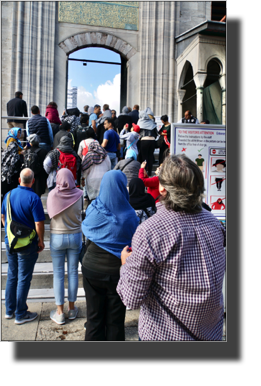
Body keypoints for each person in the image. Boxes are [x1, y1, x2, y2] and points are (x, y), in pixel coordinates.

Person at [117, 154, 226, 341]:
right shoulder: (215, 225)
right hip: (210, 333)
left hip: (164, 334)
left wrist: (126, 264)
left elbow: (131, 298)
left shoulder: (150, 231)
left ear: (162, 187)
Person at [81, 170, 139, 341]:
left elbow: (87, 233)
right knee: (115, 320)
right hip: (117, 272)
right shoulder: (130, 216)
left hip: (91, 268)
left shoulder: (94, 208)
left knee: (94, 317)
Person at [1, 168, 45, 325]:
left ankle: (9, 310)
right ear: (33, 181)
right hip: (27, 243)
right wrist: (40, 241)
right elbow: (39, 223)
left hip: (10, 242)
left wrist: (9, 233)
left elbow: (3, 216)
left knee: (12, 275)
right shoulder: (34, 198)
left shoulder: (8, 195)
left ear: (19, 180)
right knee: (24, 277)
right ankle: (20, 313)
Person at [46, 168, 83, 325]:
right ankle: (72, 309)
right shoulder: (79, 194)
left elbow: (50, 214)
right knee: (73, 272)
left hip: (57, 237)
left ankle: (60, 312)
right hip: (75, 236)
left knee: (58, 274)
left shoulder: (53, 195)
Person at [137, 110, 158, 176]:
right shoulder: (152, 122)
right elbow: (156, 133)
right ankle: (150, 173)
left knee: (144, 157)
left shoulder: (140, 122)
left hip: (144, 140)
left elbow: (137, 131)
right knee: (150, 156)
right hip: (152, 141)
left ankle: (144, 172)